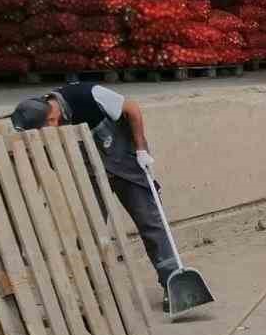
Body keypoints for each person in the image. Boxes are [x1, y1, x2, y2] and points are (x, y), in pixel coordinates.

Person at [9, 84, 176, 305]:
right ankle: (99, 294)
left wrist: (141, 148)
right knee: (90, 231)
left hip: (126, 164)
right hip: (90, 172)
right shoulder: (37, 116)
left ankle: (173, 284)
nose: (50, 129)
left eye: (49, 125)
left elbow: (132, 108)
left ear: (51, 116)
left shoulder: (87, 95)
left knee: (151, 223)